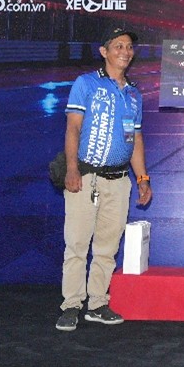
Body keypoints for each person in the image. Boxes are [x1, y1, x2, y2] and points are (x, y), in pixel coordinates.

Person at [57, 26, 152, 332]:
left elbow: (135, 139)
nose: (125, 51)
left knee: (108, 247)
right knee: (77, 244)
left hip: (119, 181)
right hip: (87, 177)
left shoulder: (134, 94)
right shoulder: (86, 83)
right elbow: (73, 128)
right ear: (104, 51)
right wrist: (72, 169)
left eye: (129, 47)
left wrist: (142, 178)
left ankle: (97, 303)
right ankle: (71, 305)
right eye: (118, 46)